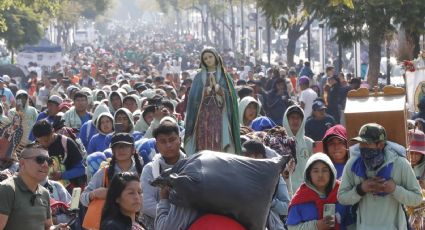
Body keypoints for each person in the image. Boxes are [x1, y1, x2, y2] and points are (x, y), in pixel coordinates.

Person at [338, 123, 423, 229]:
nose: (363, 148)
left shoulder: (400, 164)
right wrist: (361, 189)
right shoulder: (353, 165)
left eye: (367, 144)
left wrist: (395, 189)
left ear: (381, 145)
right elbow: (342, 197)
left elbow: (417, 198)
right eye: (361, 144)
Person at [184, 47, 241, 155]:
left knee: (219, 141)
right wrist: (204, 92)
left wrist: (219, 89)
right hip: (203, 116)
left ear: (215, 57)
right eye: (205, 58)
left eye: (210, 57)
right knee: (203, 140)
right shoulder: (198, 77)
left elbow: (231, 98)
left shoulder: (225, 76)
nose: (208, 60)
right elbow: (193, 98)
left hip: (220, 116)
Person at [0, 143, 68, 229]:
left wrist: (57, 228)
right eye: (40, 159)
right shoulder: (7, 189)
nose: (46, 164)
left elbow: (48, 226)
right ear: (22, 163)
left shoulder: (44, 193)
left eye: (49, 161)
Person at [287, 153, 353, 230]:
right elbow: (292, 228)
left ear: (331, 172)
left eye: (325, 170)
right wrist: (316, 226)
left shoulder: (342, 193)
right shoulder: (300, 198)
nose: (320, 175)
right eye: (315, 171)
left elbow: (351, 223)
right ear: (309, 174)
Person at [141, 118, 186, 229]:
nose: (168, 145)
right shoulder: (150, 170)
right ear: (157, 145)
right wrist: (172, 219)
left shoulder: (190, 165)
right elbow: (146, 203)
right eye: (163, 141)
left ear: (179, 140)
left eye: (172, 140)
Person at [81, 133, 143, 208]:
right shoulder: (104, 172)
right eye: (117, 147)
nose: (121, 150)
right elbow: (83, 198)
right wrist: (94, 194)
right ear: (113, 151)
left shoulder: (143, 171)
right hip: (110, 218)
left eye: (125, 146)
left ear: (133, 150)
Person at [242, 139, 289, 229]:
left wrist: (269, 201)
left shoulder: (275, 177)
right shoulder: (240, 175)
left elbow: (287, 208)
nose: (244, 158)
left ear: (259, 156)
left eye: (247, 154)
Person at [32, 120, 86, 190]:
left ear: (53, 132)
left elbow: (81, 169)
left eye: (46, 140)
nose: (43, 144)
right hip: (43, 190)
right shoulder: (34, 147)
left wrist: (62, 175)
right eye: (40, 141)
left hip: (69, 189)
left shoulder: (66, 143)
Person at [282, 105, 314, 193]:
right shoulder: (279, 143)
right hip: (286, 190)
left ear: (302, 120)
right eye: (292, 118)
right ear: (286, 120)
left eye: (298, 118)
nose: (295, 121)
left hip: (306, 190)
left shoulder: (309, 143)